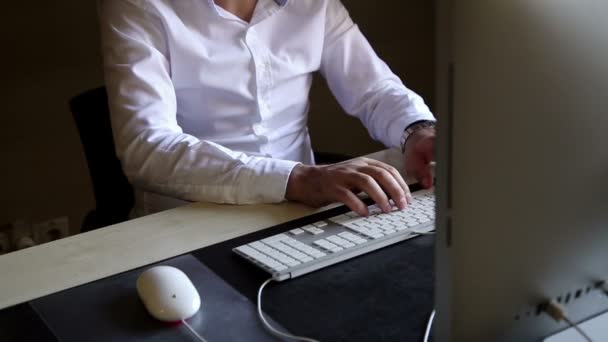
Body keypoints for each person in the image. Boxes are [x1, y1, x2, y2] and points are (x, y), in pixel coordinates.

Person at [99, 0, 436, 218]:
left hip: (300, 212)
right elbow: (147, 147)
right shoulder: (139, 6)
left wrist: (417, 130)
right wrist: (297, 178)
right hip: (186, 220)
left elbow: (374, 89)